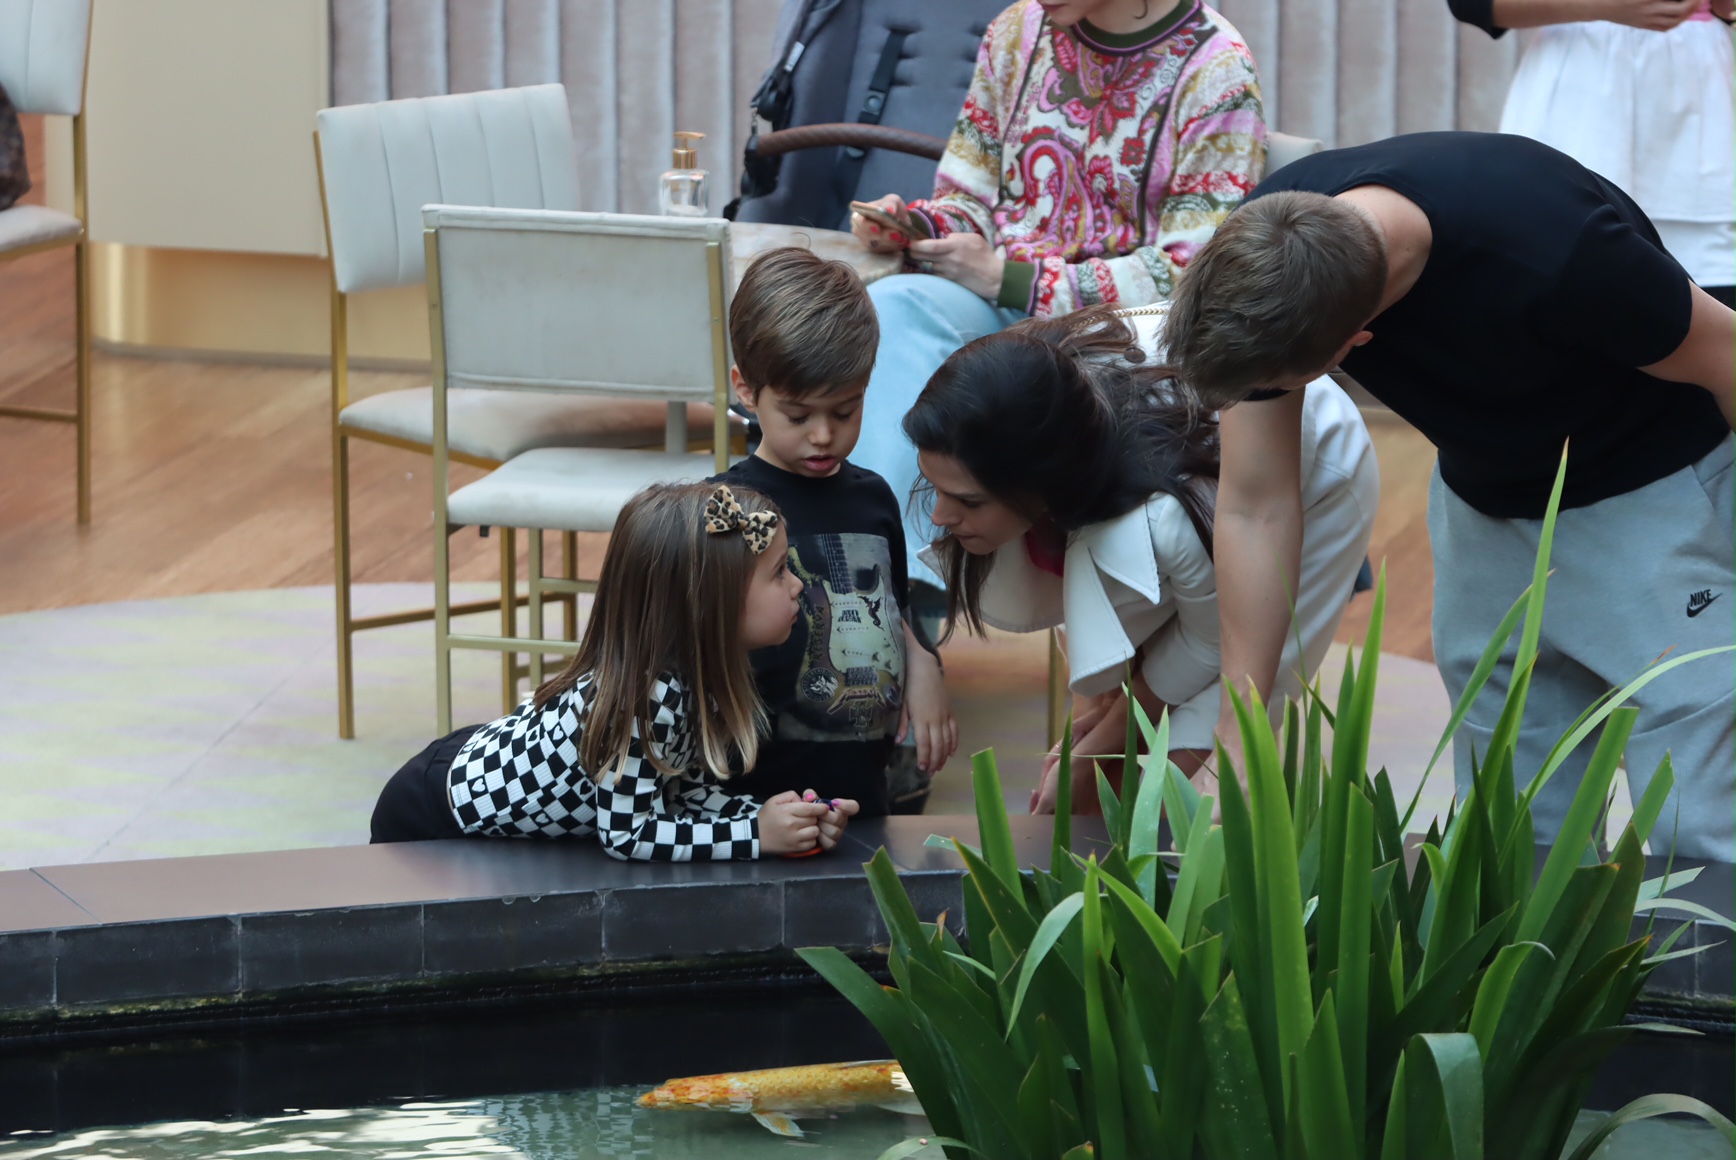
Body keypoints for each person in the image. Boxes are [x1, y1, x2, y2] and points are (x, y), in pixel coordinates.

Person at [1166, 130, 1736, 857]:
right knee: (1510, 835)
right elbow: (1255, 503)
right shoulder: (1272, 251)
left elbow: (1729, 356)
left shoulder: (1558, 248)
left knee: (1704, 825)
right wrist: (1241, 722)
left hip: (1656, 494)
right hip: (1484, 504)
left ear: (1356, 344)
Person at [846, 0, 1268, 592]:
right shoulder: (1017, 29)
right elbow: (966, 196)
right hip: (997, 304)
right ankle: (878, 580)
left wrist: (1012, 280)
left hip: (1120, 342)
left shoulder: (1216, 69)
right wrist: (924, 229)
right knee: (897, 305)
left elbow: (1191, 272)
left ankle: (904, 601)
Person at [903, 305, 1377, 812]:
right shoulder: (1019, 410)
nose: (940, 518)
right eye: (936, 489)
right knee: (1098, 757)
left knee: (1211, 723)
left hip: (1308, 470)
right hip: (1160, 472)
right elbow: (1099, 638)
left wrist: (1096, 751)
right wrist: (1094, 730)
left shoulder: (1164, 521)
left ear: (1040, 483)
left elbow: (1213, 645)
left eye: (969, 502)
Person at [369, 481, 859, 859]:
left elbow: (671, 789)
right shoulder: (648, 697)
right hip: (432, 813)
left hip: (469, 764)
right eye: (778, 572)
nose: (797, 586)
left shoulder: (693, 675)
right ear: (712, 604)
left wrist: (781, 819)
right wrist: (753, 836)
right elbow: (627, 834)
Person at [713, 248, 957, 816]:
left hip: (861, 789)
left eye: (845, 411)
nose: (823, 435)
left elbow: (893, 606)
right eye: (798, 416)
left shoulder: (873, 497)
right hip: (755, 796)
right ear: (746, 390)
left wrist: (924, 665)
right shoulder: (727, 507)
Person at [1449, 0, 1736, 309]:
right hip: (1579, 95)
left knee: (1711, 286)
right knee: (1561, 269)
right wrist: (1604, 5)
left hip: (1696, 97)